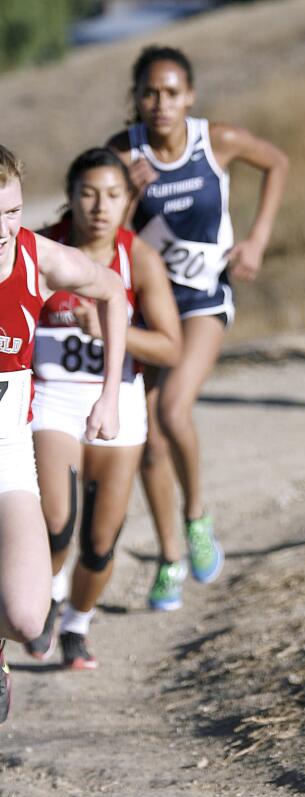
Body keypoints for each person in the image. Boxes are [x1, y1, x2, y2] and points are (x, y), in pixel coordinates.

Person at [107, 45, 289, 611]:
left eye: (171, 92)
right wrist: (126, 194)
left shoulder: (219, 141)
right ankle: (168, 558)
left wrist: (256, 239)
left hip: (206, 297)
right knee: (149, 437)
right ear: (136, 98)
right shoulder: (122, 153)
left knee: (169, 410)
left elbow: (277, 163)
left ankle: (196, 516)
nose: (160, 103)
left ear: (189, 96)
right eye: (149, 93)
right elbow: (99, 224)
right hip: (149, 306)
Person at [28, 148, 181, 669]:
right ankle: (42, 597)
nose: (99, 206)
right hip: (51, 395)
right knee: (56, 524)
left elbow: (170, 346)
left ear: (127, 201)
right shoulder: (44, 246)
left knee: (99, 541)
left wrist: (113, 331)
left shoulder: (136, 256)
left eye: (113, 195)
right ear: (70, 196)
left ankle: (76, 623)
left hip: (119, 399)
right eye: (88, 193)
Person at [0, 144, 127, 721]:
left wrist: (108, 394)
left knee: (28, 620)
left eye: (12, 212)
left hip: (7, 453)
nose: (5, 229)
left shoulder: (36, 257)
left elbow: (112, 293)